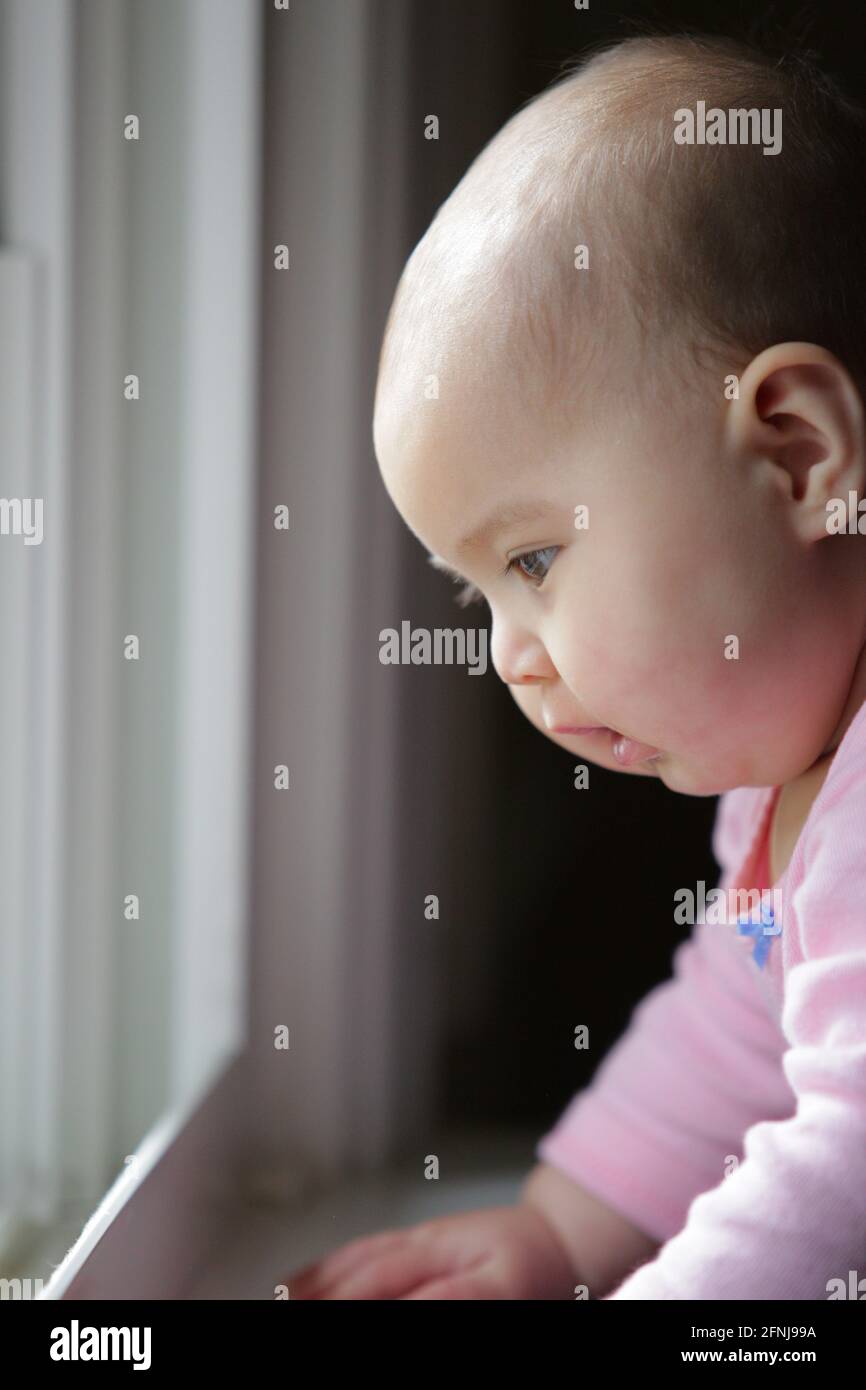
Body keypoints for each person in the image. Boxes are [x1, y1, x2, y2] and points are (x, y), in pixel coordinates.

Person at [288, 30, 866, 1299]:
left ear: (794, 457)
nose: (509, 659)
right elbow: (739, 1026)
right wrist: (561, 1229)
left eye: (535, 560)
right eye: (475, 590)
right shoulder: (789, 780)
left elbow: (846, 1156)